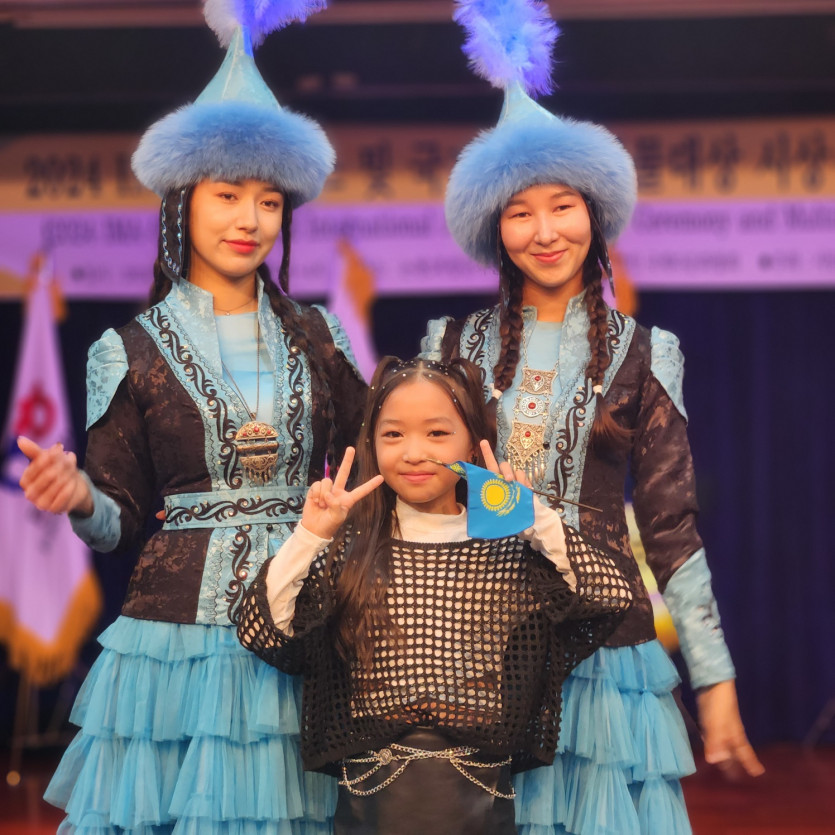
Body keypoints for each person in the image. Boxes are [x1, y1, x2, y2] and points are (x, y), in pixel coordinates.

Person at [16, 3, 366, 832]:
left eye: (270, 201)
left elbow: (375, 461)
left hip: (307, 623)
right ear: (182, 200)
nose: (250, 219)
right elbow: (116, 522)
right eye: (228, 195)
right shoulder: (127, 348)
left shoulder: (322, 334)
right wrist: (79, 496)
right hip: (175, 642)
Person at [420, 3, 764, 834]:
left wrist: (714, 680)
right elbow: (418, 497)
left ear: (595, 213)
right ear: (494, 230)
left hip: (608, 659)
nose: (544, 231)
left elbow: (671, 529)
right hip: (474, 650)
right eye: (519, 212)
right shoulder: (449, 346)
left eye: (562, 205)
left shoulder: (646, 353)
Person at [236, 355, 633, 835]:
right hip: (373, 802)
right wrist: (311, 535)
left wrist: (535, 519)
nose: (414, 453)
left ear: (472, 440)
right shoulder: (349, 549)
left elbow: (609, 594)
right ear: (371, 443)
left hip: (476, 799)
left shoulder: (507, 548)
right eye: (393, 435)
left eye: (437, 433)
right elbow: (265, 628)